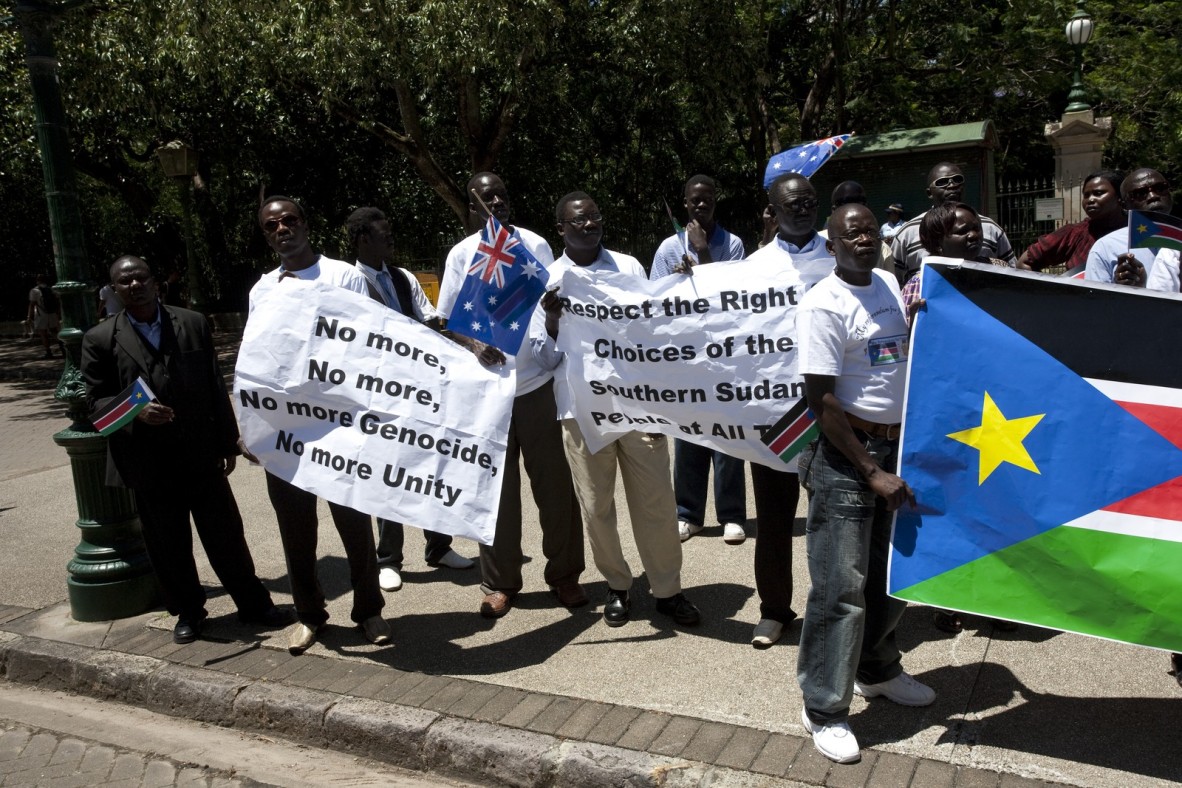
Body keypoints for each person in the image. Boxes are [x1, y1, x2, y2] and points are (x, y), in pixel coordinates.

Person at [80, 255, 291, 645]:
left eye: (140, 277)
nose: (134, 285)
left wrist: (228, 442)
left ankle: (254, 604)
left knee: (226, 533)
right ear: (114, 289)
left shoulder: (191, 323)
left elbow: (214, 386)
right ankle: (189, 612)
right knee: (168, 542)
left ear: (155, 281)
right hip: (147, 463)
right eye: (124, 282)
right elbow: (94, 404)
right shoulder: (100, 338)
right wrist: (137, 412)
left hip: (200, 455)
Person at [795, 204, 933, 764]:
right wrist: (870, 470)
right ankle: (824, 708)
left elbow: (899, 356)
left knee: (888, 577)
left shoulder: (886, 282)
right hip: (848, 456)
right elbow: (820, 400)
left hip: (898, 447)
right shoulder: (822, 305)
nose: (864, 239)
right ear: (831, 245)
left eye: (871, 231)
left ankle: (877, 670)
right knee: (840, 588)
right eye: (851, 233)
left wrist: (921, 314)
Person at [537, 191, 699, 628]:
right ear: (561, 229)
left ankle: (668, 590)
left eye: (594, 217)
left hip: (636, 404)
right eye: (579, 220)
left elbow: (652, 329)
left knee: (657, 503)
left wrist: (679, 285)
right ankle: (618, 586)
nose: (589, 225)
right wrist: (553, 322)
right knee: (596, 506)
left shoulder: (627, 267)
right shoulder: (548, 278)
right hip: (580, 410)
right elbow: (543, 355)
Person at [242, 196, 389, 654]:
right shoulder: (261, 289)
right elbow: (255, 362)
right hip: (285, 429)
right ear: (267, 236)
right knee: (296, 527)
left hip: (338, 423)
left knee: (354, 523)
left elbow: (367, 342)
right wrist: (250, 425)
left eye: (289, 220)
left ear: (305, 224)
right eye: (272, 225)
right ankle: (309, 615)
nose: (282, 229)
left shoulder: (344, 275)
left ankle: (369, 609)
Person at [436, 173, 586, 620]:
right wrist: (475, 345)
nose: (495, 202)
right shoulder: (462, 255)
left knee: (556, 489)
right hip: (488, 396)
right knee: (495, 494)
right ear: (471, 205)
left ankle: (565, 576)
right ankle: (500, 583)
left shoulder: (536, 246)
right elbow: (449, 321)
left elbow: (551, 305)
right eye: (484, 197)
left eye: (500, 194)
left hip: (537, 385)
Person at [346, 206, 475, 592]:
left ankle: (438, 546)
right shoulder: (349, 281)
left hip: (417, 391)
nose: (392, 239)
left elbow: (429, 320)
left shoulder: (402, 278)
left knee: (429, 467)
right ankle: (389, 558)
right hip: (378, 396)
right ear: (363, 239)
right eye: (384, 233)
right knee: (389, 474)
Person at [740, 174, 833, 648]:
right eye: (792, 204)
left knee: (833, 518)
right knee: (775, 520)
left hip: (832, 409)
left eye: (810, 202)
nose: (803, 210)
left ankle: (832, 611)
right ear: (772, 212)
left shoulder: (839, 254)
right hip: (776, 413)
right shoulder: (753, 266)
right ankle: (775, 611)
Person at [648, 175, 747, 544]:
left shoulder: (732, 244)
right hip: (685, 356)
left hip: (725, 354)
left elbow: (733, 295)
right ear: (685, 203)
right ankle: (688, 514)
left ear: (716, 202)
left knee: (727, 436)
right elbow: (655, 303)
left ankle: (732, 515)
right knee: (689, 434)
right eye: (694, 201)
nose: (700, 206)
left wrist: (704, 255)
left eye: (707, 200)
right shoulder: (666, 249)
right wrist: (675, 282)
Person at [890, 161, 1016, 284]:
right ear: (929, 193)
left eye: (957, 180)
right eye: (942, 182)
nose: (952, 186)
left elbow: (1013, 275)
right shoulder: (907, 233)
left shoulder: (990, 228)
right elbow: (894, 282)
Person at [900, 202, 1013, 319]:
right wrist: (914, 325)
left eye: (977, 228)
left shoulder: (1000, 270)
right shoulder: (919, 286)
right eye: (962, 231)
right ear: (937, 243)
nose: (974, 235)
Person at [1019, 171, 1124, 272]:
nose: (1090, 200)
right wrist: (1051, 290)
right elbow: (1024, 263)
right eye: (1086, 195)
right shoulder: (1074, 233)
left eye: (1098, 193)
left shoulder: (1137, 231)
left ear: (1119, 197)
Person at [1085, 168, 1174, 287]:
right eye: (1140, 194)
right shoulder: (1105, 248)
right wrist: (1122, 289)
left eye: (1160, 188)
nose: (1153, 196)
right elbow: (1095, 303)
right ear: (1124, 205)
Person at [817, 182, 895, 274]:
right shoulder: (818, 244)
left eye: (860, 203)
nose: (854, 208)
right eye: (846, 203)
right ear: (831, 248)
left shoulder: (882, 249)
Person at [27, 274, 61, 359]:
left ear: (37, 281)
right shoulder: (52, 289)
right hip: (52, 313)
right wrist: (58, 313)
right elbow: (57, 302)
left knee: (43, 333)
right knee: (55, 331)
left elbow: (32, 305)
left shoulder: (34, 291)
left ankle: (48, 352)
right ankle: (63, 348)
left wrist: (29, 317)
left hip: (41, 315)